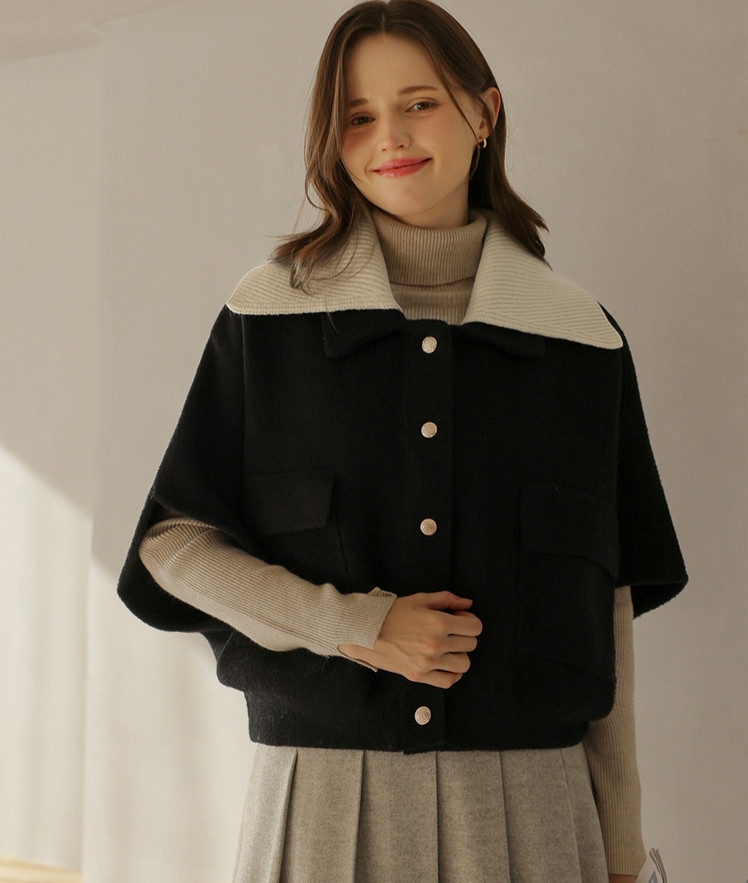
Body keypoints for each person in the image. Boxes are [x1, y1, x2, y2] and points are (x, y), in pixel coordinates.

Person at [117, 1, 687, 880]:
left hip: (533, 812)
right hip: (320, 806)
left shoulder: (581, 340)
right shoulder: (269, 317)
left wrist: (618, 853)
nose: (389, 136)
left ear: (484, 113)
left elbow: (604, 607)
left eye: (418, 103)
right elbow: (175, 544)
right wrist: (356, 626)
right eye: (357, 116)